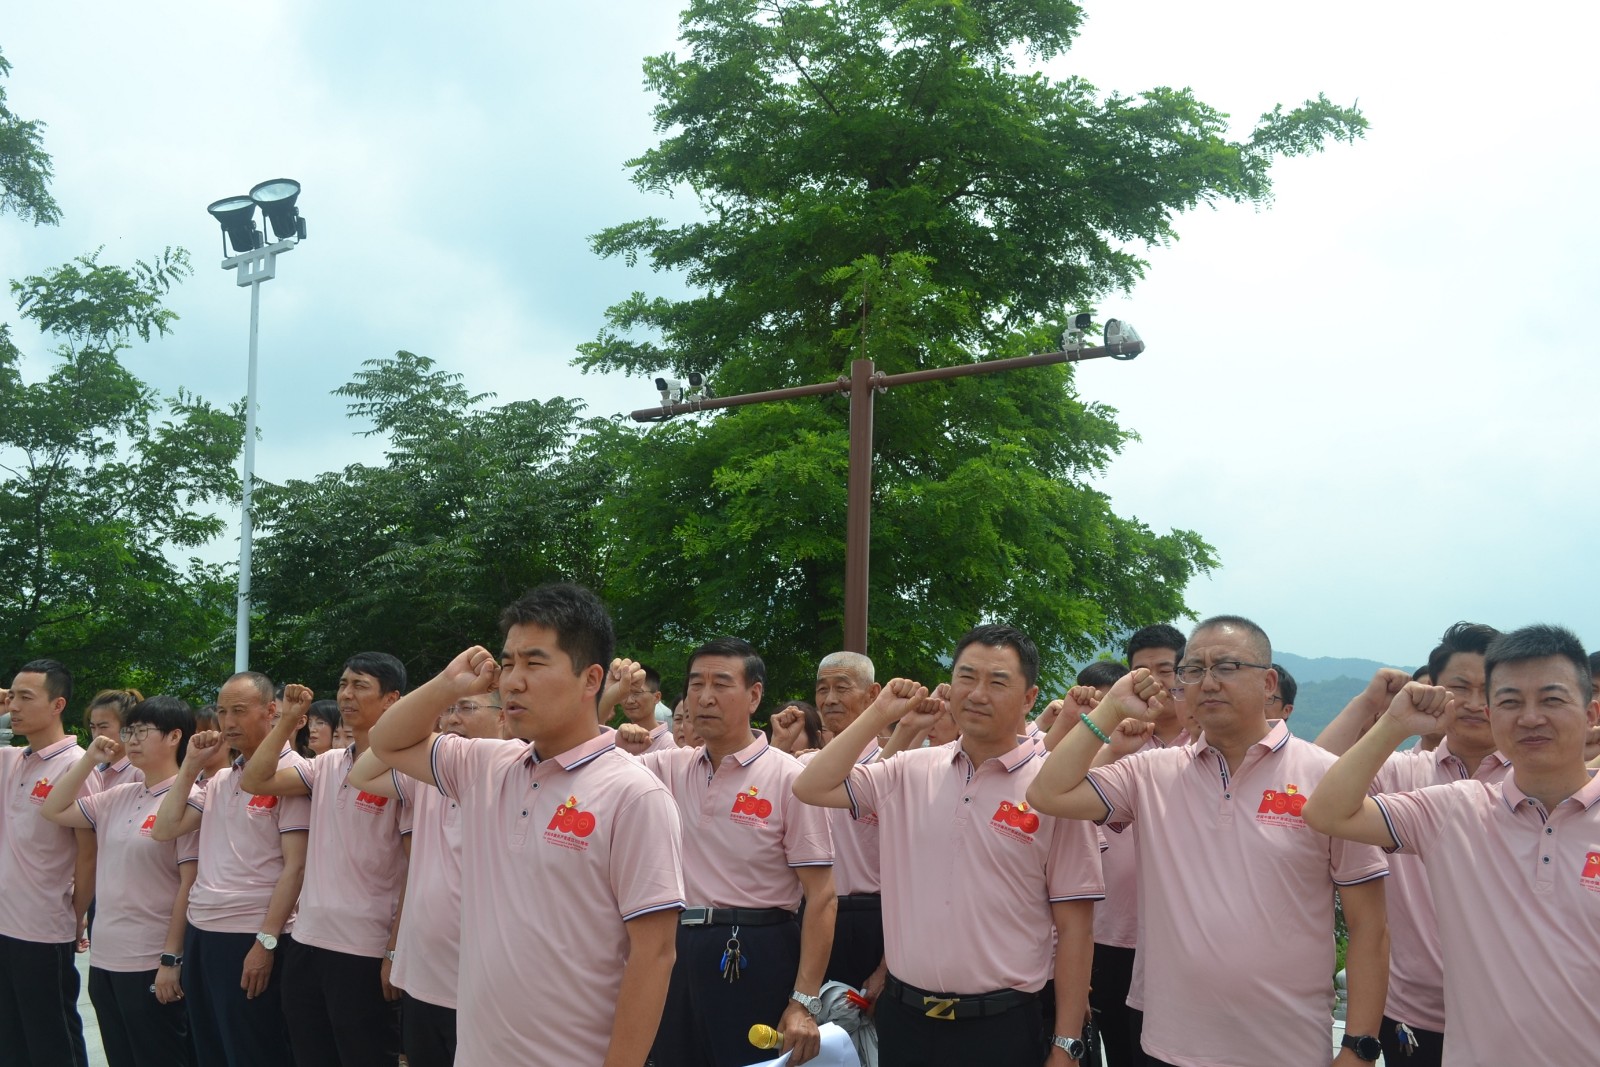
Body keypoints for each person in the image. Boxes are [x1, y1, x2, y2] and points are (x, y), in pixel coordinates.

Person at [1026, 616, 1390, 1067]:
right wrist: (1110, 710)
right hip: (1166, 1043)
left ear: (1268, 681)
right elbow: (1047, 793)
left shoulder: (1327, 779)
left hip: (1285, 1047)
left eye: (1227, 666)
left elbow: (1369, 927)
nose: (1208, 682)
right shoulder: (1152, 773)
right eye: (1193, 670)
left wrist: (1359, 1047)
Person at [367, 582, 685, 1067]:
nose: (512, 681)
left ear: (590, 678)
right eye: (508, 663)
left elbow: (655, 954)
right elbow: (386, 741)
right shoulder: (486, 766)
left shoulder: (634, 795)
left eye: (534, 663)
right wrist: (449, 684)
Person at [796, 625, 1102, 1067]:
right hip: (906, 1020)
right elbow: (811, 784)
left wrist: (1066, 1045)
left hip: (1001, 1024)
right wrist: (879, 712)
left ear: (1030, 698)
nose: (977, 693)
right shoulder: (907, 770)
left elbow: (1077, 930)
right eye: (966, 676)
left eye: (997, 681)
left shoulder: (1052, 788)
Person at [1305, 624, 1600, 1065]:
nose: (1531, 717)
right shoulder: (1456, 808)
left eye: (1552, 699)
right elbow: (1323, 810)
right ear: (1491, 712)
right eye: (1510, 702)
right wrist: (1392, 723)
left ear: (1591, 712)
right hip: (1438, 1029)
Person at [635, 637, 834, 1067]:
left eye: (721, 683)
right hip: (673, 950)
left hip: (754, 953)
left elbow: (821, 897)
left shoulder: (790, 779)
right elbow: (590, 766)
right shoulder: (666, 768)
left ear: (754, 695)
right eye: (696, 684)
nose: (705, 697)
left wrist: (804, 1001)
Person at [1315, 624, 1508, 1065]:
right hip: (1412, 1011)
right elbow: (1311, 784)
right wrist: (1374, 709)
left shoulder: (1533, 781)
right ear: (1435, 690)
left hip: (1512, 1012)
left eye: (1490, 688)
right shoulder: (1402, 772)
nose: (1477, 703)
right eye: (1461, 687)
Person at [240, 656, 411, 1067]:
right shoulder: (328, 764)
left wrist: (393, 948)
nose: (347, 694)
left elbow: (414, 866)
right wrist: (287, 721)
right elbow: (254, 780)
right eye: (343, 683)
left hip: (364, 947)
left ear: (392, 699)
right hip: (308, 940)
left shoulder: (406, 768)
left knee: (364, 1056)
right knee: (310, 1053)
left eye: (360, 685)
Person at [150, 672, 309, 1067]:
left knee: (253, 1049)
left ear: (272, 711)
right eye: (222, 711)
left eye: (239, 710)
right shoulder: (221, 778)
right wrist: (189, 767)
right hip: (203, 932)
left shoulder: (294, 776)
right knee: (211, 1048)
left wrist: (266, 942)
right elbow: (165, 829)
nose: (228, 722)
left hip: (249, 936)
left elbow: (296, 867)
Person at [346, 689, 503, 1067]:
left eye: (465, 708)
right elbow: (361, 773)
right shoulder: (428, 777)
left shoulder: (515, 773)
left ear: (503, 716)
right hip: (424, 979)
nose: (452, 720)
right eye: (446, 711)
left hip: (485, 987)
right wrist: (432, 701)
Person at [41, 696, 199, 1067]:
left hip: (150, 958)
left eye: (142, 731)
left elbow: (187, 886)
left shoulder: (189, 801)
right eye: (129, 730)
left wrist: (171, 959)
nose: (132, 739)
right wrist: (89, 759)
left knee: (160, 1056)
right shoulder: (118, 795)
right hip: (106, 958)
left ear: (175, 736)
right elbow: (53, 809)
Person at [1086, 624, 1182, 1067]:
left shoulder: (1205, 747)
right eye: (1141, 670)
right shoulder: (1108, 739)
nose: (1155, 682)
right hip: (1107, 932)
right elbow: (1058, 800)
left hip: (1174, 939)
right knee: (1118, 1048)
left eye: (1166, 669)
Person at [0, 659, 95, 1066]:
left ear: (58, 705)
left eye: (26, 697)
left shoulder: (75, 765)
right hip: (4, 922)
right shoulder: (10, 760)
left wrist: (76, 915)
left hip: (42, 927)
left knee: (51, 1038)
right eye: (11, 696)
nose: (14, 707)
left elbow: (88, 851)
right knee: (11, 1038)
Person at [86, 689, 146, 790]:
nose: (97, 734)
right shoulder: (94, 767)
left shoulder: (139, 772)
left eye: (103, 727)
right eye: (93, 727)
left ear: (127, 728)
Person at [618, 665, 676, 752]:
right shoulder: (619, 741)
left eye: (637, 693)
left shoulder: (670, 747)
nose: (629, 701)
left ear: (656, 697)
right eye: (625, 694)